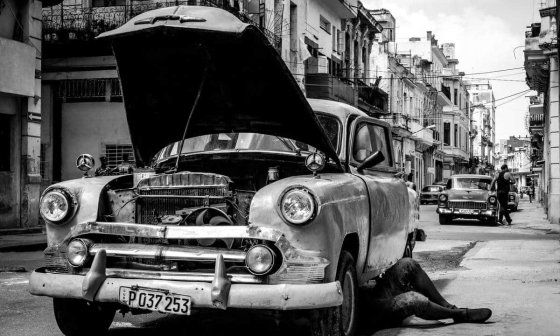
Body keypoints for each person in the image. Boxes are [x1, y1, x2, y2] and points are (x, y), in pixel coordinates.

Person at [363, 258, 492, 329]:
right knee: (412, 299)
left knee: (408, 264)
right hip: (368, 311)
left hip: (373, 291)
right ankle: (459, 314)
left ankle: (448, 307)